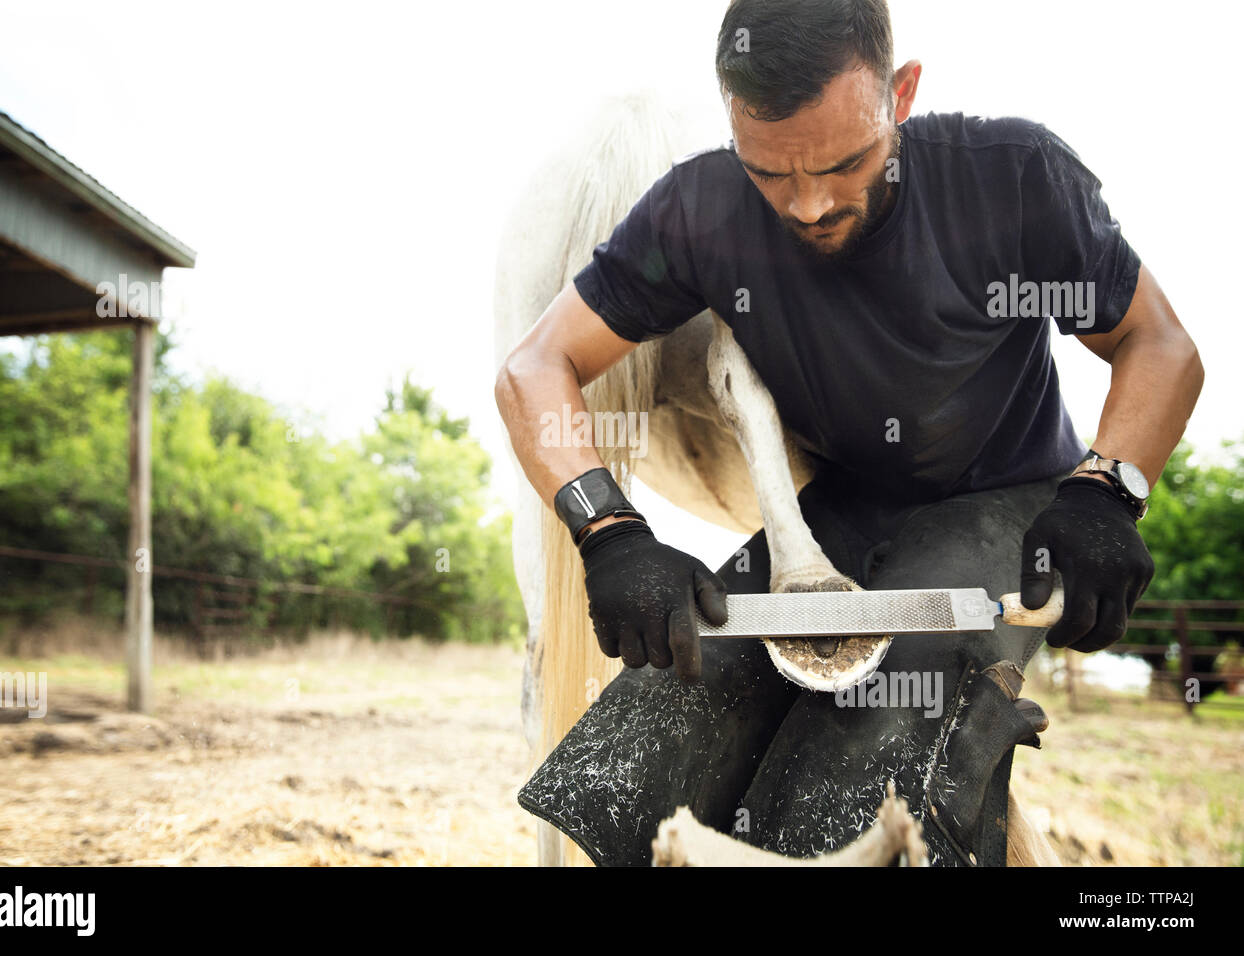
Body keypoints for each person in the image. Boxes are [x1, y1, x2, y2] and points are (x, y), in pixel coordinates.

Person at [494, 0, 1203, 865]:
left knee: (873, 752)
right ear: (729, 121)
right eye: (770, 174)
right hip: (844, 511)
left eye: (846, 162)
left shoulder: (1013, 175)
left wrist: (1107, 493)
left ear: (900, 94)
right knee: (653, 735)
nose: (809, 205)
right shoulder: (698, 213)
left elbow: (1160, 343)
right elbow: (534, 368)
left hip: (1005, 502)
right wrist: (608, 531)